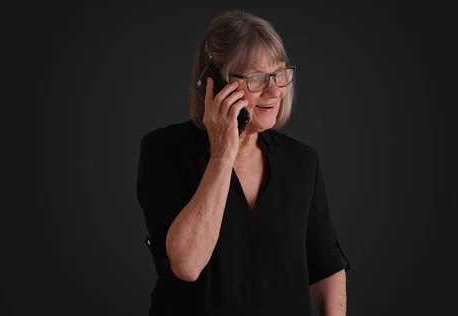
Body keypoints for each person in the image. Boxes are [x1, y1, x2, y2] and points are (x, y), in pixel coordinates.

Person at [136, 9, 351, 316]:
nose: (274, 90)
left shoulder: (302, 162)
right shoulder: (164, 151)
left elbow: (325, 266)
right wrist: (224, 153)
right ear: (213, 84)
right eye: (257, 78)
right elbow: (187, 264)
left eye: (279, 73)